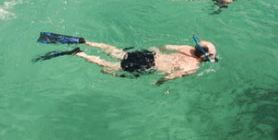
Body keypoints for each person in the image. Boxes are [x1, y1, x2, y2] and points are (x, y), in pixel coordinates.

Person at [64, 38, 217, 84]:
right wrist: (158, 82)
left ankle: (88, 42)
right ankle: (81, 54)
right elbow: (172, 76)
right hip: (149, 65)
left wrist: (156, 50)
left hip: (150, 55)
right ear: (203, 56)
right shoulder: (193, 66)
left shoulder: (186, 47)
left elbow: (165, 45)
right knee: (110, 65)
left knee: (117, 52)